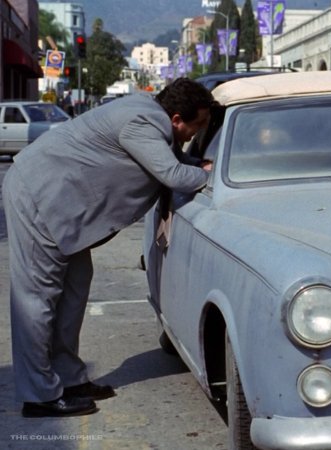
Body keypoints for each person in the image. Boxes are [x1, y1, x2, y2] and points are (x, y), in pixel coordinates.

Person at [2, 77, 214, 418]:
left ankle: (69, 378)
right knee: (36, 301)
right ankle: (39, 394)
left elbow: (175, 161)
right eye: (197, 124)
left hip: (63, 207)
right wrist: (212, 174)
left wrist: (196, 165)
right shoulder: (143, 122)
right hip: (39, 197)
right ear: (176, 118)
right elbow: (172, 174)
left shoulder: (151, 116)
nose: (195, 133)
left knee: (73, 291)